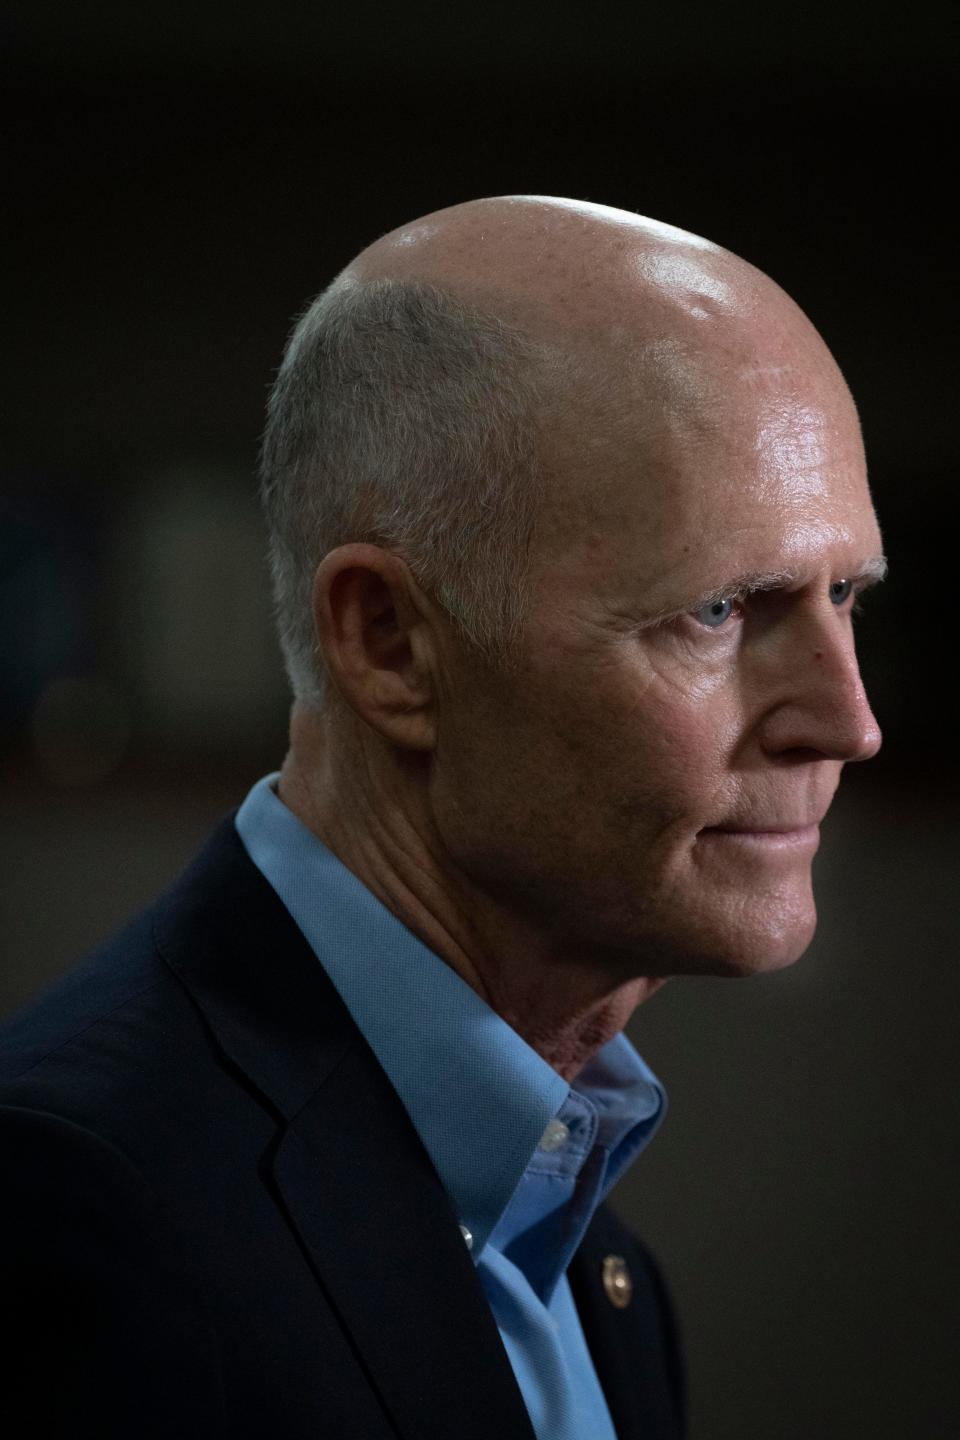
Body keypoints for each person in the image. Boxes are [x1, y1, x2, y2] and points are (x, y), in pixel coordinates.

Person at [0, 195, 884, 1439]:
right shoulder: (73, 1214)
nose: (848, 722)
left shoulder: (595, 1260)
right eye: (722, 610)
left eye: (847, 594)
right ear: (392, 643)